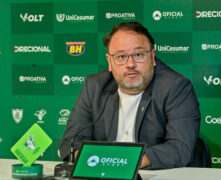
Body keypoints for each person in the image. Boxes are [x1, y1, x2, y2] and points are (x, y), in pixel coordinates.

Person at [59, 22, 201, 169]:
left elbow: (180, 148)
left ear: (152, 57)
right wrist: (98, 162)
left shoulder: (175, 88)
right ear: (110, 61)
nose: (130, 64)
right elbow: (70, 142)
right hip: (104, 173)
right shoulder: (94, 86)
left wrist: (126, 163)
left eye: (138, 54)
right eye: (121, 57)